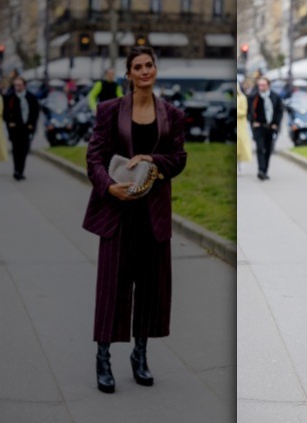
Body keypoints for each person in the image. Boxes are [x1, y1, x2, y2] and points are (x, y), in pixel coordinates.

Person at [82, 46, 187, 394]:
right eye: (137, 67)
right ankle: (103, 358)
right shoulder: (110, 110)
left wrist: (153, 160)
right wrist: (109, 187)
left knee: (150, 287)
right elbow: (94, 156)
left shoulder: (171, 113)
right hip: (117, 212)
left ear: (156, 69)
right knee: (112, 286)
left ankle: (140, 356)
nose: (144, 71)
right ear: (128, 74)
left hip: (152, 213)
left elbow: (179, 158)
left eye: (149, 65)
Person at [3, 76, 39, 181]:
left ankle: (21, 170)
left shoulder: (31, 97)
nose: (17, 87)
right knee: (16, 150)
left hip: (26, 128)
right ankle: (16, 170)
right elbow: (5, 113)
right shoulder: (10, 97)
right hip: (15, 129)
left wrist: (32, 125)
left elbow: (35, 112)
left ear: (24, 85)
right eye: (15, 85)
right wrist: (9, 123)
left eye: (19, 85)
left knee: (24, 150)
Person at [248, 76, 283, 181]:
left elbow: (279, 111)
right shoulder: (254, 97)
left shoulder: (275, 97)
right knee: (260, 148)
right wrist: (253, 122)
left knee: (268, 149)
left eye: (263, 85)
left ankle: (265, 170)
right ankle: (260, 170)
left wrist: (276, 124)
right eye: (259, 85)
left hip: (270, 127)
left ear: (268, 86)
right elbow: (249, 111)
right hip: (259, 127)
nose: (261, 87)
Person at [237, 82, 253, 172]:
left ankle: (241, 163)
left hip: (241, 124)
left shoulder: (242, 98)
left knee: (241, 143)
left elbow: (244, 111)